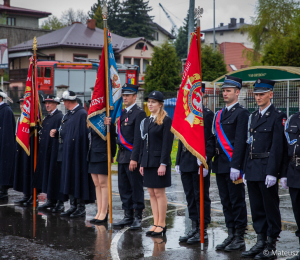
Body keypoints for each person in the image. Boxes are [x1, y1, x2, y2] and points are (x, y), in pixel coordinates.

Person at [241, 79, 286, 259]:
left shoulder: (277, 116)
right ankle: (260, 241)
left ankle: (271, 245)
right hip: (252, 167)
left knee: (270, 207)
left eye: (261, 94)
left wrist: (273, 172)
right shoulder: (253, 116)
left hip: (267, 168)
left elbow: (277, 147)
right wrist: (245, 169)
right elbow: (248, 145)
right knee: (257, 207)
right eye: (256, 94)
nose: (258, 97)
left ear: (270, 94)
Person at [212, 75, 249, 251]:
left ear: (237, 92)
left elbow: (241, 141)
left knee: (237, 201)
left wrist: (236, 165)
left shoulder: (242, 113)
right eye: (223, 90)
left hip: (233, 165)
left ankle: (240, 237)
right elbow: (213, 140)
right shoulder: (219, 114)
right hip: (220, 164)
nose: (225, 93)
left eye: (228, 91)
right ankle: (231, 233)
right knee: (226, 201)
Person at [175, 83, 215, 244]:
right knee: (190, 197)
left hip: (199, 162)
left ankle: (202, 230)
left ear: (203, 95)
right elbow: (181, 139)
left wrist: (206, 159)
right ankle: (194, 227)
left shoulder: (207, 115)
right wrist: (177, 160)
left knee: (201, 197)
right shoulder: (186, 114)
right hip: (185, 161)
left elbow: (212, 141)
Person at [50, 90, 95, 218]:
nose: (63, 103)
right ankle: (73, 205)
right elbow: (66, 133)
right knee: (68, 179)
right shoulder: (69, 114)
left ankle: (80, 207)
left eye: (63, 101)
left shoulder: (81, 114)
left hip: (76, 154)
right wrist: (57, 133)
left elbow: (82, 137)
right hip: (67, 152)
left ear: (67, 101)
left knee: (77, 179)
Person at [140, 90, 174, 236]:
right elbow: (144, 144)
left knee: (159, 193)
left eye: (154, 102)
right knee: (151, 193)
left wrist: (163, 164)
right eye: (149, 101)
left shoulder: (166, 120)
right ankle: (155, 222)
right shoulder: (147, 120)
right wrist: (142, 163)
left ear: (160, 104)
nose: (150, 104)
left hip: (159, 162)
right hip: (147, 162)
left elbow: (167, 144)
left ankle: (162, 224)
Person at [113, 84, 146, 229]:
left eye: (128, 95)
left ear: (134, 96)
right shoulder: (123, 113)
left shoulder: (139, 113)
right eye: (123, 95)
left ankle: (138, 216)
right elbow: (119, 135)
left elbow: (139, 139)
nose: (124, 98)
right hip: (122, 155)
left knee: (135, 186)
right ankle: (128, 216)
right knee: (123, 187)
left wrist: (134, 158)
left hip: (132, 156)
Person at [33, 95, 67, 212]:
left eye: (50, 103)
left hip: (55, 151)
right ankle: (51, 200)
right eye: (46, 103)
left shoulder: (59, 117)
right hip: (46, 152)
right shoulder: (47, 117)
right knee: (48, 176)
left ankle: (59, 202)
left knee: (56, 177)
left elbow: (62, 132)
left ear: (56, 104)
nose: (47, 105)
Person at [87, 117, 116, 224]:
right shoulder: (93, 119)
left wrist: (112, 154)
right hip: (92, 154)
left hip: (102, 154)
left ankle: (104, 212)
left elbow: (112, 137)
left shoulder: (106, 118)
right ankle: (99, 211)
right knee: (97, 184)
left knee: (103, 184)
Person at [282, 110, 300, 260]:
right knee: (298, 212)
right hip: (295, 171)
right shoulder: (292, 119)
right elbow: (285, 149)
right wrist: (283, 174)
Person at [13, 96, 37, 207]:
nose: (22, 106)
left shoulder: (31, 118)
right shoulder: (20, 118)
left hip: (30, 149)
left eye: (24, 104)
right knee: (23, 172)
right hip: (21, 148)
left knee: (30, 171)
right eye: (21, 104)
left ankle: (33, 196)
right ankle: (26, 195)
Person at [0, 89, 15, 200]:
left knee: (3, 167)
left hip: (3, 145)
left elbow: (8, 132)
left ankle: (3, 190)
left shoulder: (6, 110)